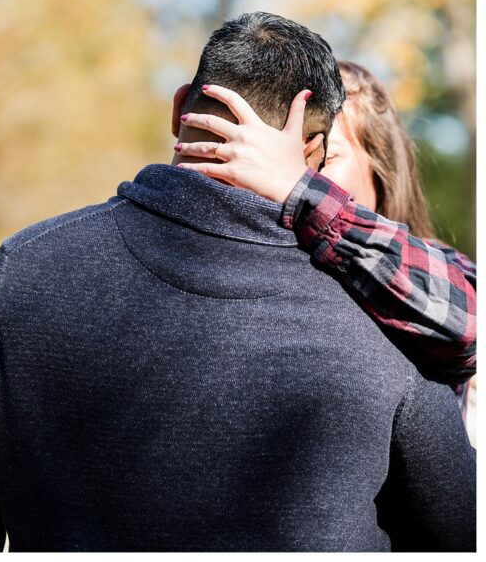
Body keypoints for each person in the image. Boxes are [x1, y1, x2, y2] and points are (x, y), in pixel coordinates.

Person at [0, 12, 475, 552]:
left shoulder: (18, 272)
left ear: (178, 109)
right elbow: (463, 531)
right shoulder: (385, 312)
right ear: (311, 153)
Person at [174, 61, 476, 396]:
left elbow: (470, 328)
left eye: (325, 156)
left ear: (380, 164)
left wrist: (300, 188)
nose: (280, 175)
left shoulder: (439, 270)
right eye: (276, 158)